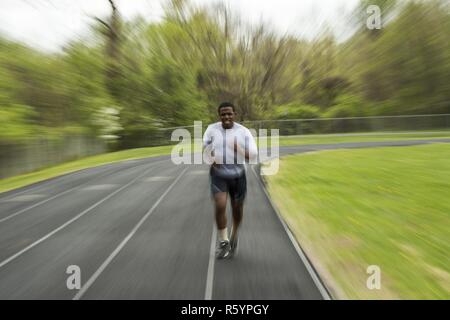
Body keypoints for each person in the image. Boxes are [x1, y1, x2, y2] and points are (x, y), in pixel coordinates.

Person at [203, 102, 258, 259]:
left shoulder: (243, 132)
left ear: (234, 114)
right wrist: (211, 159)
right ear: (219, 115)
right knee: (220, 205)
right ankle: (223, 241)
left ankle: (234, 235)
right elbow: (205, 150)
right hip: (218, 175)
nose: (226, 116)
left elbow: (253, 156)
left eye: (229, 113)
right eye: (223, 114)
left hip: (238, 175)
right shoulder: (211, 130)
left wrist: (238, 149)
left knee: (237, 209)